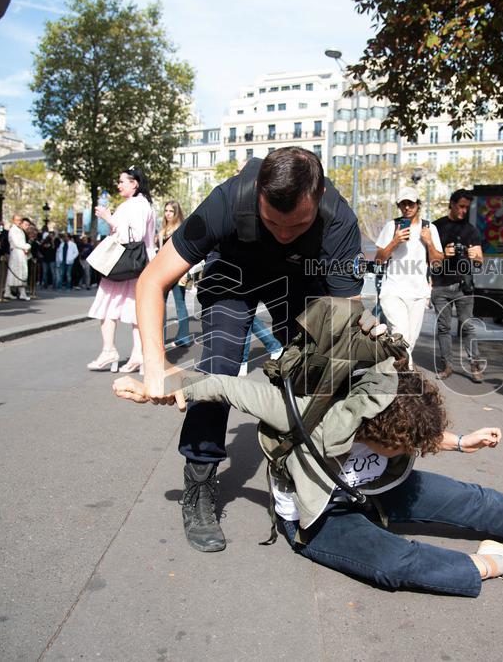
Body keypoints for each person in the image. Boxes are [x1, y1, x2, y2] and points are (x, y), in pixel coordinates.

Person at [113, 357, 503, 596]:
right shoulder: (302, 410)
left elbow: (418, 436)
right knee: (395, 562)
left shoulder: (395, 409)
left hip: (380, 489)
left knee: (469, 500)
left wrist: (463, 443)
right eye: (398, 443)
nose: (408, 449)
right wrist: (157, 388)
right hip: (321, 515)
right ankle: (497, 562)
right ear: (371, 427)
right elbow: (221, 384)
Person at [133, 147, 364, 553]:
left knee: (313, 366)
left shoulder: (339, 220)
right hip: (233, 277)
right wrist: (155, 365)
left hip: (298, 281)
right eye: (273, 222)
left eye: (298, 224)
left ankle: (306, 470)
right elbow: (152, 281)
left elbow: (345, 315)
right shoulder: (227, 200)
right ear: (257, 191)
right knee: (218, 368)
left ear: (320, 193)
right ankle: (199, 483)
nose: (284, 233)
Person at [87, 167, 157, 373]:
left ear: (134, 183)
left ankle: (110, 351)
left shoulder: (136, 205)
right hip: (137, 263)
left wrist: (109, 218)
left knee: (108, 306)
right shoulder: (142, 204)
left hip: (124, 261)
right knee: (134, 309)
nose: (118, 185)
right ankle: (136, 354)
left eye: (122, 181)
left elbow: (134, 235)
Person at [374, 186, 444, 361]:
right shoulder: (392, 226)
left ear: (418, 205)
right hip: (393, 291)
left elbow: (437, 262)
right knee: (400, 333)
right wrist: (395, 241)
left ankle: (395, 370)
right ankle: (406, 374)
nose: (406, 207)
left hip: (418, 293)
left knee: (411, 340)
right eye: (403, 204)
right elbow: (378, 259)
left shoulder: (430, 228)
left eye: (410, 203)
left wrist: (428, 242)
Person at [431, 189, 483, 381]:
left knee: (467, 326)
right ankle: (447, 366)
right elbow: (430, 259)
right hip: (440, 285)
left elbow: (480, 261)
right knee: (444, 328)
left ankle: (475, 364)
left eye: (466, 208)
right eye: (461, 206)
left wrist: (474, 256)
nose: (463, 211)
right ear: (451, 204)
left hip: (464, 286)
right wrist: (444, 254)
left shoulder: (471, 230)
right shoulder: (437, 227)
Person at [160, 200, 192, 347]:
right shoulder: (162, 231)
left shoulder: (181, 229)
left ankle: (184, 337)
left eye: (171, 211)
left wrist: (186, 272)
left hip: (178, 272)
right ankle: (161, 336)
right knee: (160, 304)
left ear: (176, 213)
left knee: (180, 304)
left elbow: (187, 253)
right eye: (166, 211)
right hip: (164, 271)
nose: (168, 214)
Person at [4, 215, 31, 300]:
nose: (19, 222)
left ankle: (12, 292)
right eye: (17, 220)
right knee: (15, 273)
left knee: (20, 273)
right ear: (13, 220)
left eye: (20, 220)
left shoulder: (19, 230)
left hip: (21, 253)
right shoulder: (13, 230)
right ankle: (9, 292)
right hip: (16, 253)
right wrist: (26, 246)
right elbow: (16, 243)